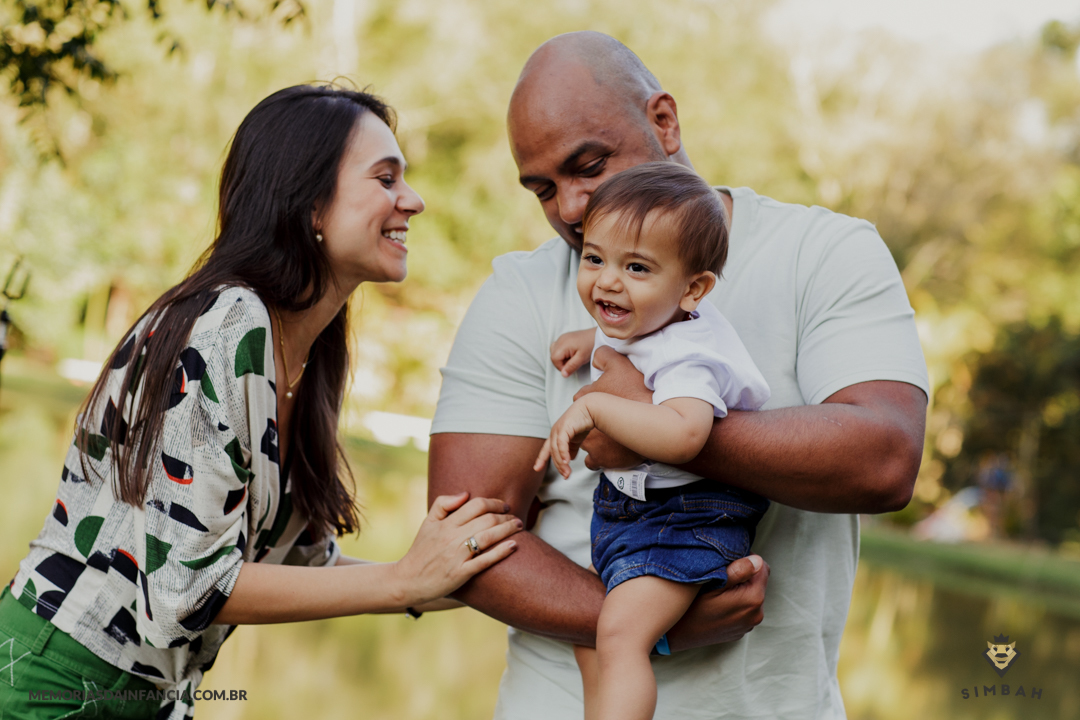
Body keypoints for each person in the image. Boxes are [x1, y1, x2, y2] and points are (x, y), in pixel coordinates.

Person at [428, 31, 928, 719]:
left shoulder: (826, 253)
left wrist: (646, 427)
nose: (571, 209)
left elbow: (886, 460)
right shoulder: (519, 292)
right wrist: (648, 624)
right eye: (543, 188)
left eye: (588, 165)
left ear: (663, 121)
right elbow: (464, 536)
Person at [0, 84, 521, 720]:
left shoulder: (306, 353)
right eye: (385, 178)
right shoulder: (224, 323)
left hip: (148, 699)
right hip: (52, 681)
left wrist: (474, 569)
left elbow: (308, 568)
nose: (413, 200)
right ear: (310, 206)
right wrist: (404, 580)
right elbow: (183, 591)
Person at [534, 162, 771, 720]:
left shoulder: (693, 358)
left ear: (694, 288)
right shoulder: (665, 315)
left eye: (636, 267)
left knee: (618, 636)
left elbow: (686, 434)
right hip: (641, 511)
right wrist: (590, 333)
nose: (607, 281)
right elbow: (645, 325)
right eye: (594, 258)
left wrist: (595, 405)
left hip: (686, 516)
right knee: (593, 635)